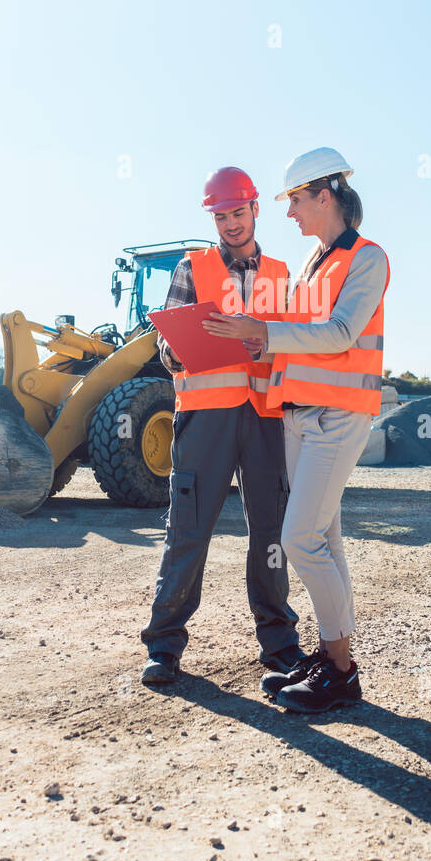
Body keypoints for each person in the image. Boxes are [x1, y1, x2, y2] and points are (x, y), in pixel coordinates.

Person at [203, 147, 389, 713]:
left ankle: (341, 671)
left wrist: (263, 329)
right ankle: (334, 662)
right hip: (300, 416)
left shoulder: (366, 259)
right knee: (324, 541)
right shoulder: (312, 264)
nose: (289, 214)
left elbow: (339, 333)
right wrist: (249, 333)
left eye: (295, 202)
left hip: (337, 415)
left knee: (297, 540)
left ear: (324, 196)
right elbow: (289, 333)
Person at [140, 166, 304, 686]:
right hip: (206, 420)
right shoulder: (192, 270)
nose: (231, 224)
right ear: (212, 217)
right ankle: (164, 648)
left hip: (265, 420)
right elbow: (165, 351)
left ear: (255, 209)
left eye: (239, 212)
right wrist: (190, 343)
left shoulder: (283, 275)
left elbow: (300, 341)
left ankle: (279, 644)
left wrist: (266, 340)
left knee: (272, 534)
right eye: (221, 216)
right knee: (187, 531)